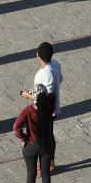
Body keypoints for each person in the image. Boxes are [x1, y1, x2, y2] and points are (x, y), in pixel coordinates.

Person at [20, 41, 63, 173]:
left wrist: (28, 96)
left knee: (44, 138)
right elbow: (60, 79)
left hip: (44, 111)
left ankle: (45, 165)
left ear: (38, 55)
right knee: (49, 136)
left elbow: (41, 98)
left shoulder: (42, 74)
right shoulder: (56, 64)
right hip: (54, 107)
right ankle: (51, 162)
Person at [14, 84, 54, 183]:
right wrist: (35, 96)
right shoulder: (50, 107)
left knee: (31, 171)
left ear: (34, 96)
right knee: (45, 171)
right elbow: (52, 95)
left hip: (31, 145)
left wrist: (24, 138)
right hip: (46, 145)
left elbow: (16, 128)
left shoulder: (27, 110)